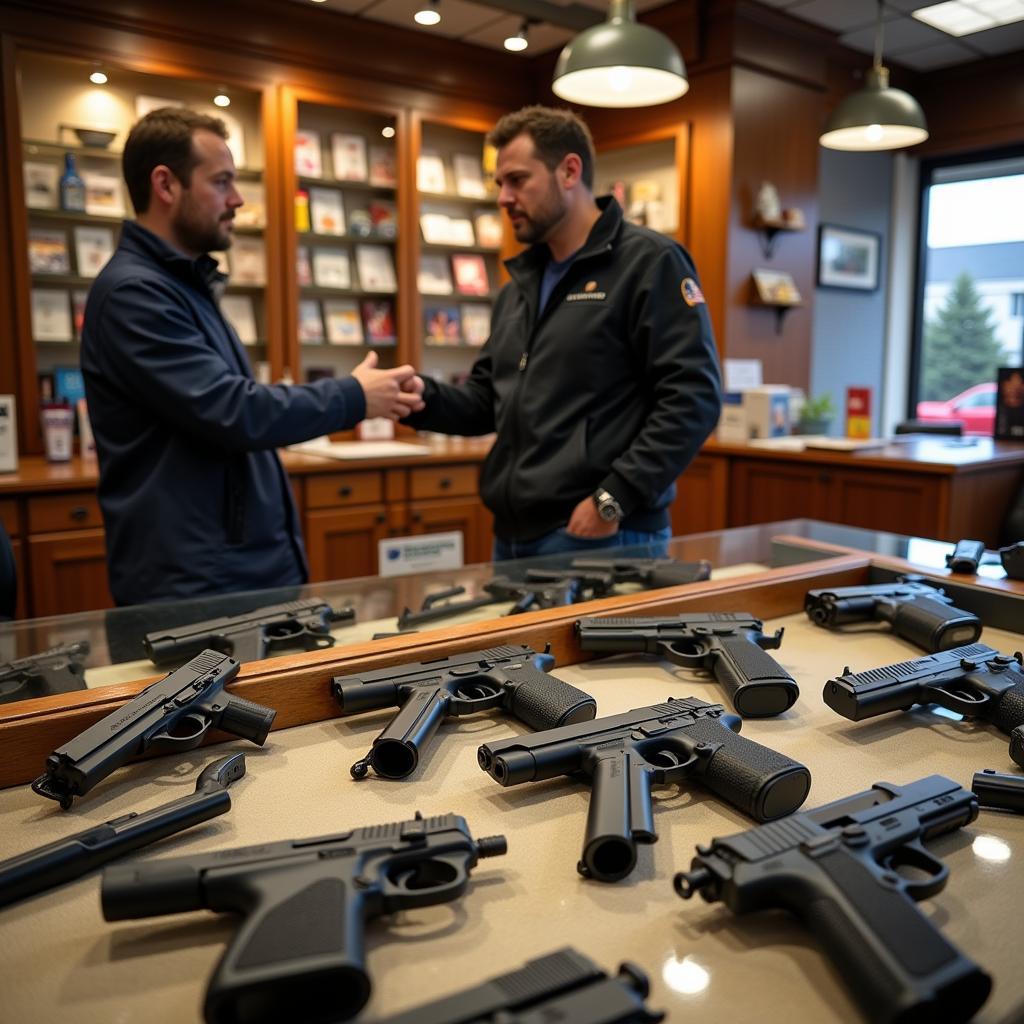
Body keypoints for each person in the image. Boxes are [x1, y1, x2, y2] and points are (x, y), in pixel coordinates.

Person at [81, 109, 423, 605]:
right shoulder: (136, 294)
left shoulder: (182, 285)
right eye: (221, 182)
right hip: (198, 582)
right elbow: (233, 410)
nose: (237, 199)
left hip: (228, 570)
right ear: (165, 184)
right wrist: (353, 397)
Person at [403, 105, 722, 559]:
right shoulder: (520, 286)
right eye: (500, 184)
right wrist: (419, 397)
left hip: (602, 535)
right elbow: (486, 402)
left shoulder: (649, 263)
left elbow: (694, 398)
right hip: (513, 536)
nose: (503, 198)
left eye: (517, 180)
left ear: (569, 171)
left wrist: (613, 499)